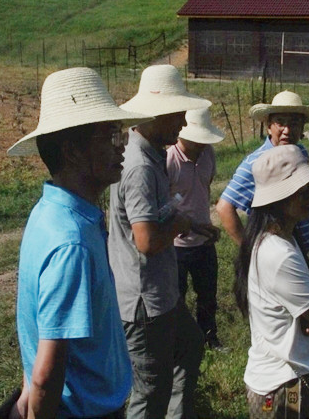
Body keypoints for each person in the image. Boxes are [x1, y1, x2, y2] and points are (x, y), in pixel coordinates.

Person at [7, 67, 151, 418]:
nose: (122, 145)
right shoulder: (72, 243)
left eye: (120, 134)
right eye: (110, 136)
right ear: (72, 152)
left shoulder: (48, 214)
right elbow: (45, 376)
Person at [109, 64, 213, 419]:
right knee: (151, 390)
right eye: (177, 113)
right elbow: (147, 241)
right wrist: (180, 224)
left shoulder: (150, 155)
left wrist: (191, 222)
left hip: (160, 292)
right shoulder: (140, 166)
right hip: (145, 301)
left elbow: (152, 216)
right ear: (156, 114)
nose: (183, 122)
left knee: (190, 346)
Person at [234, 145, 309, 418]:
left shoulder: (278, 237)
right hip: (283, 386)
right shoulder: (278, 253)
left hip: (282, 377)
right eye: (302, 191)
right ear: (278, 198)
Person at [216, 90, 309, 252]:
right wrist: (251, 252)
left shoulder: (300, 152)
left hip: (299, 247)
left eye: (294, 123)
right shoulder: (257, 162)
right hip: (276, 251)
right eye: (280, 122)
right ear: (269, 127)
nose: (287, 130)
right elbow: (224, 208)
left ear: (302, 128)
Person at [166, 107, 225, 350]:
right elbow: (163, 205)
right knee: (176, 298)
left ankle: (209, 339)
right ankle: (179, 345)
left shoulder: (208, 154)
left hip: (204, 241)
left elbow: (205, 189)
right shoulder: (169, 160)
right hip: (177, 245)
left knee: (208, 295)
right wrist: (186, 225)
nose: (201, 144)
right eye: (196, 140)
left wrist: (204, 225)